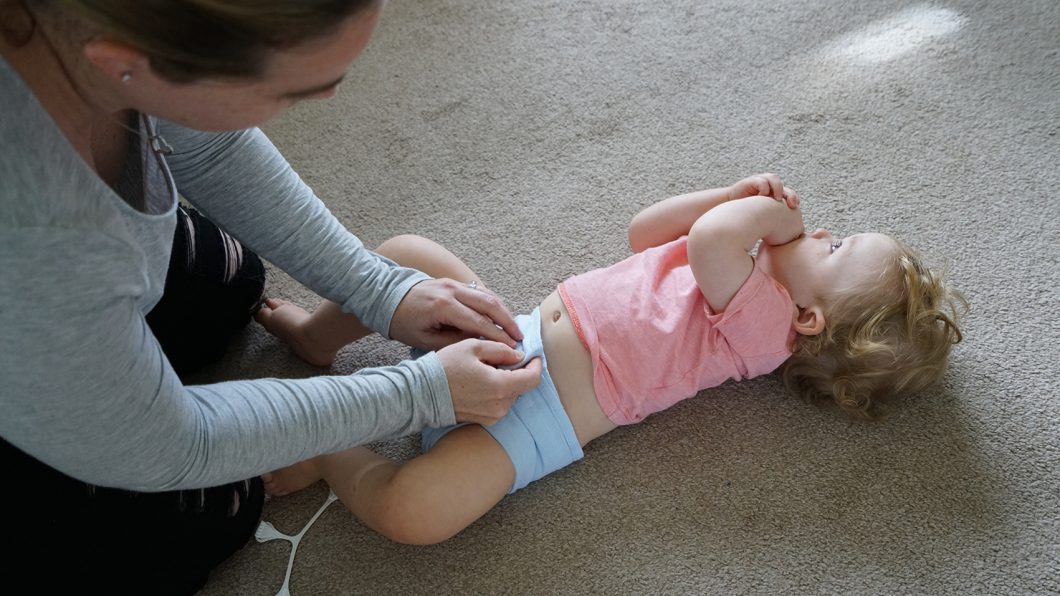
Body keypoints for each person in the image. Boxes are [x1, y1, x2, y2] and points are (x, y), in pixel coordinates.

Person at [0, 1, 542, 593]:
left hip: (60, 282)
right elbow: (169, 444)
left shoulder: (99, 41)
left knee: (231, 288)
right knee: (199, 516)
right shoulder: (35, 235)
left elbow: (209, 146)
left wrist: (379, 287)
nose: (326, 100)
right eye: (291, 91)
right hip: (38, 304)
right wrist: (419, 393)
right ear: (124, 64)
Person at [259, 173, 966, 545]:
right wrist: (728, 195)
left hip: (534, 422)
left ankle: (333, 456)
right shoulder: (738, 267)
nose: (823, 229)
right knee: (404, 257)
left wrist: (755, 216)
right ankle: (321, 338)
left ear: (810, 317)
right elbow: (645, 231)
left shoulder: (767, 330)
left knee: (416, 513)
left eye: (836, 250)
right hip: (515, 333)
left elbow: (709, 242)